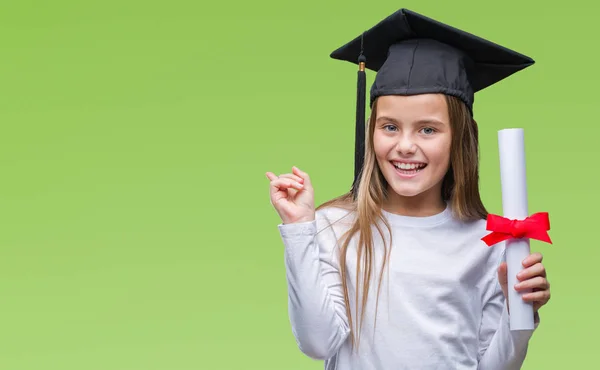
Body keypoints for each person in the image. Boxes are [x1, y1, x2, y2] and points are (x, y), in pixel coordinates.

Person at [265, 8, 551, 370]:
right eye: (389, 127)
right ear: (370, 131)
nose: (405, 145)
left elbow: (494, 367)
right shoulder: (334, 226)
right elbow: (317, 342)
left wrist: (517, 312)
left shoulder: (489, 241)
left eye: (427, 130)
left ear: (459, 139)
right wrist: (299, 230)